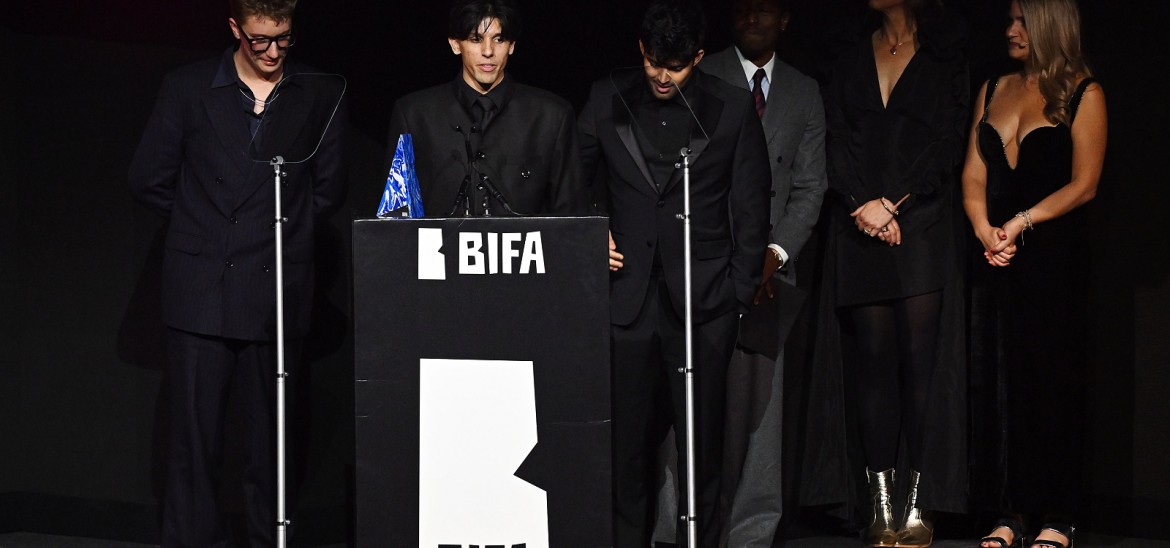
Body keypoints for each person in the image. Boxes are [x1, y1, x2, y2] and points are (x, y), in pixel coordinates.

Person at [127, 0, 348, 544]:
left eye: (284, 39)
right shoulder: (189, 87)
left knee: (268, 448)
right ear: (235, 30)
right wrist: (207, 228)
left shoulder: (319, 93)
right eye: (259, 40)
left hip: (275, 288)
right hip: (201, 289)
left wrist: (275, 234)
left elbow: (328, 192)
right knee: (193, 445)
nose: (272, 52)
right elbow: (147, 177)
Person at [577, 1, 771, 545]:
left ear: (699, 58)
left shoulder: (731, 108)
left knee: (701, 447)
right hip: (626, 302)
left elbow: (752, 208)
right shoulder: (605, 97)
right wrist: (594, 232)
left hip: (705, 305)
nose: (663, 76)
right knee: (625, 449)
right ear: (641, 51)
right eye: (655, 62)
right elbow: (572, 182)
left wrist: (735, 296)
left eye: (677, 66)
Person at [819, 0, 968, 546]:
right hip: (860, 225)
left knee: (919, 368)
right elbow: (835, 136)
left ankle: (918, 503)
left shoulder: (945, 56)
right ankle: (880, 507)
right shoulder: (849, 54)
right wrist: (865, 205)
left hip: (921, 225)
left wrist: (895, 204)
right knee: (874, 366)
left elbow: (949, 142)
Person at [962, 0, 1106, 546]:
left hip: (1054, 259)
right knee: (1001, 387)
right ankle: (1010, 512)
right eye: (1009, 20)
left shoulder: (1082, 92)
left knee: (1053, 384)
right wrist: (984, 228)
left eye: (1022, 21)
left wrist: (1022, 220)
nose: (1010, 30)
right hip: (998, 255)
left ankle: (1057, 515)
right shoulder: (994, 88)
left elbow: (1084, 183)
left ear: (1050, 23)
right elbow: (974, 173)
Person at [698, 0, 826, 545]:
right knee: (696, 399)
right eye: (743, 8)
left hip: (771, 272)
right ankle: (682, 525)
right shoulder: (703, 75)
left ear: (784, 20)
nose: (752, 18)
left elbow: (809, 185)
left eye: (764, 10)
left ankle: (750, 532)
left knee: (761, 411)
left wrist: (774, 253)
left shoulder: (804, 90)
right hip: (708, 263)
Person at [385, 0, 587, 217]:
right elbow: (396, 215)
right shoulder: (414, 114)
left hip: (526, 251)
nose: (488, 51)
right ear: (455, 44)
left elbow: (573, 215)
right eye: (475, 39)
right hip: (439, 250)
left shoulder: (552, 116)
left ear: (511, 46)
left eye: (499, 39)